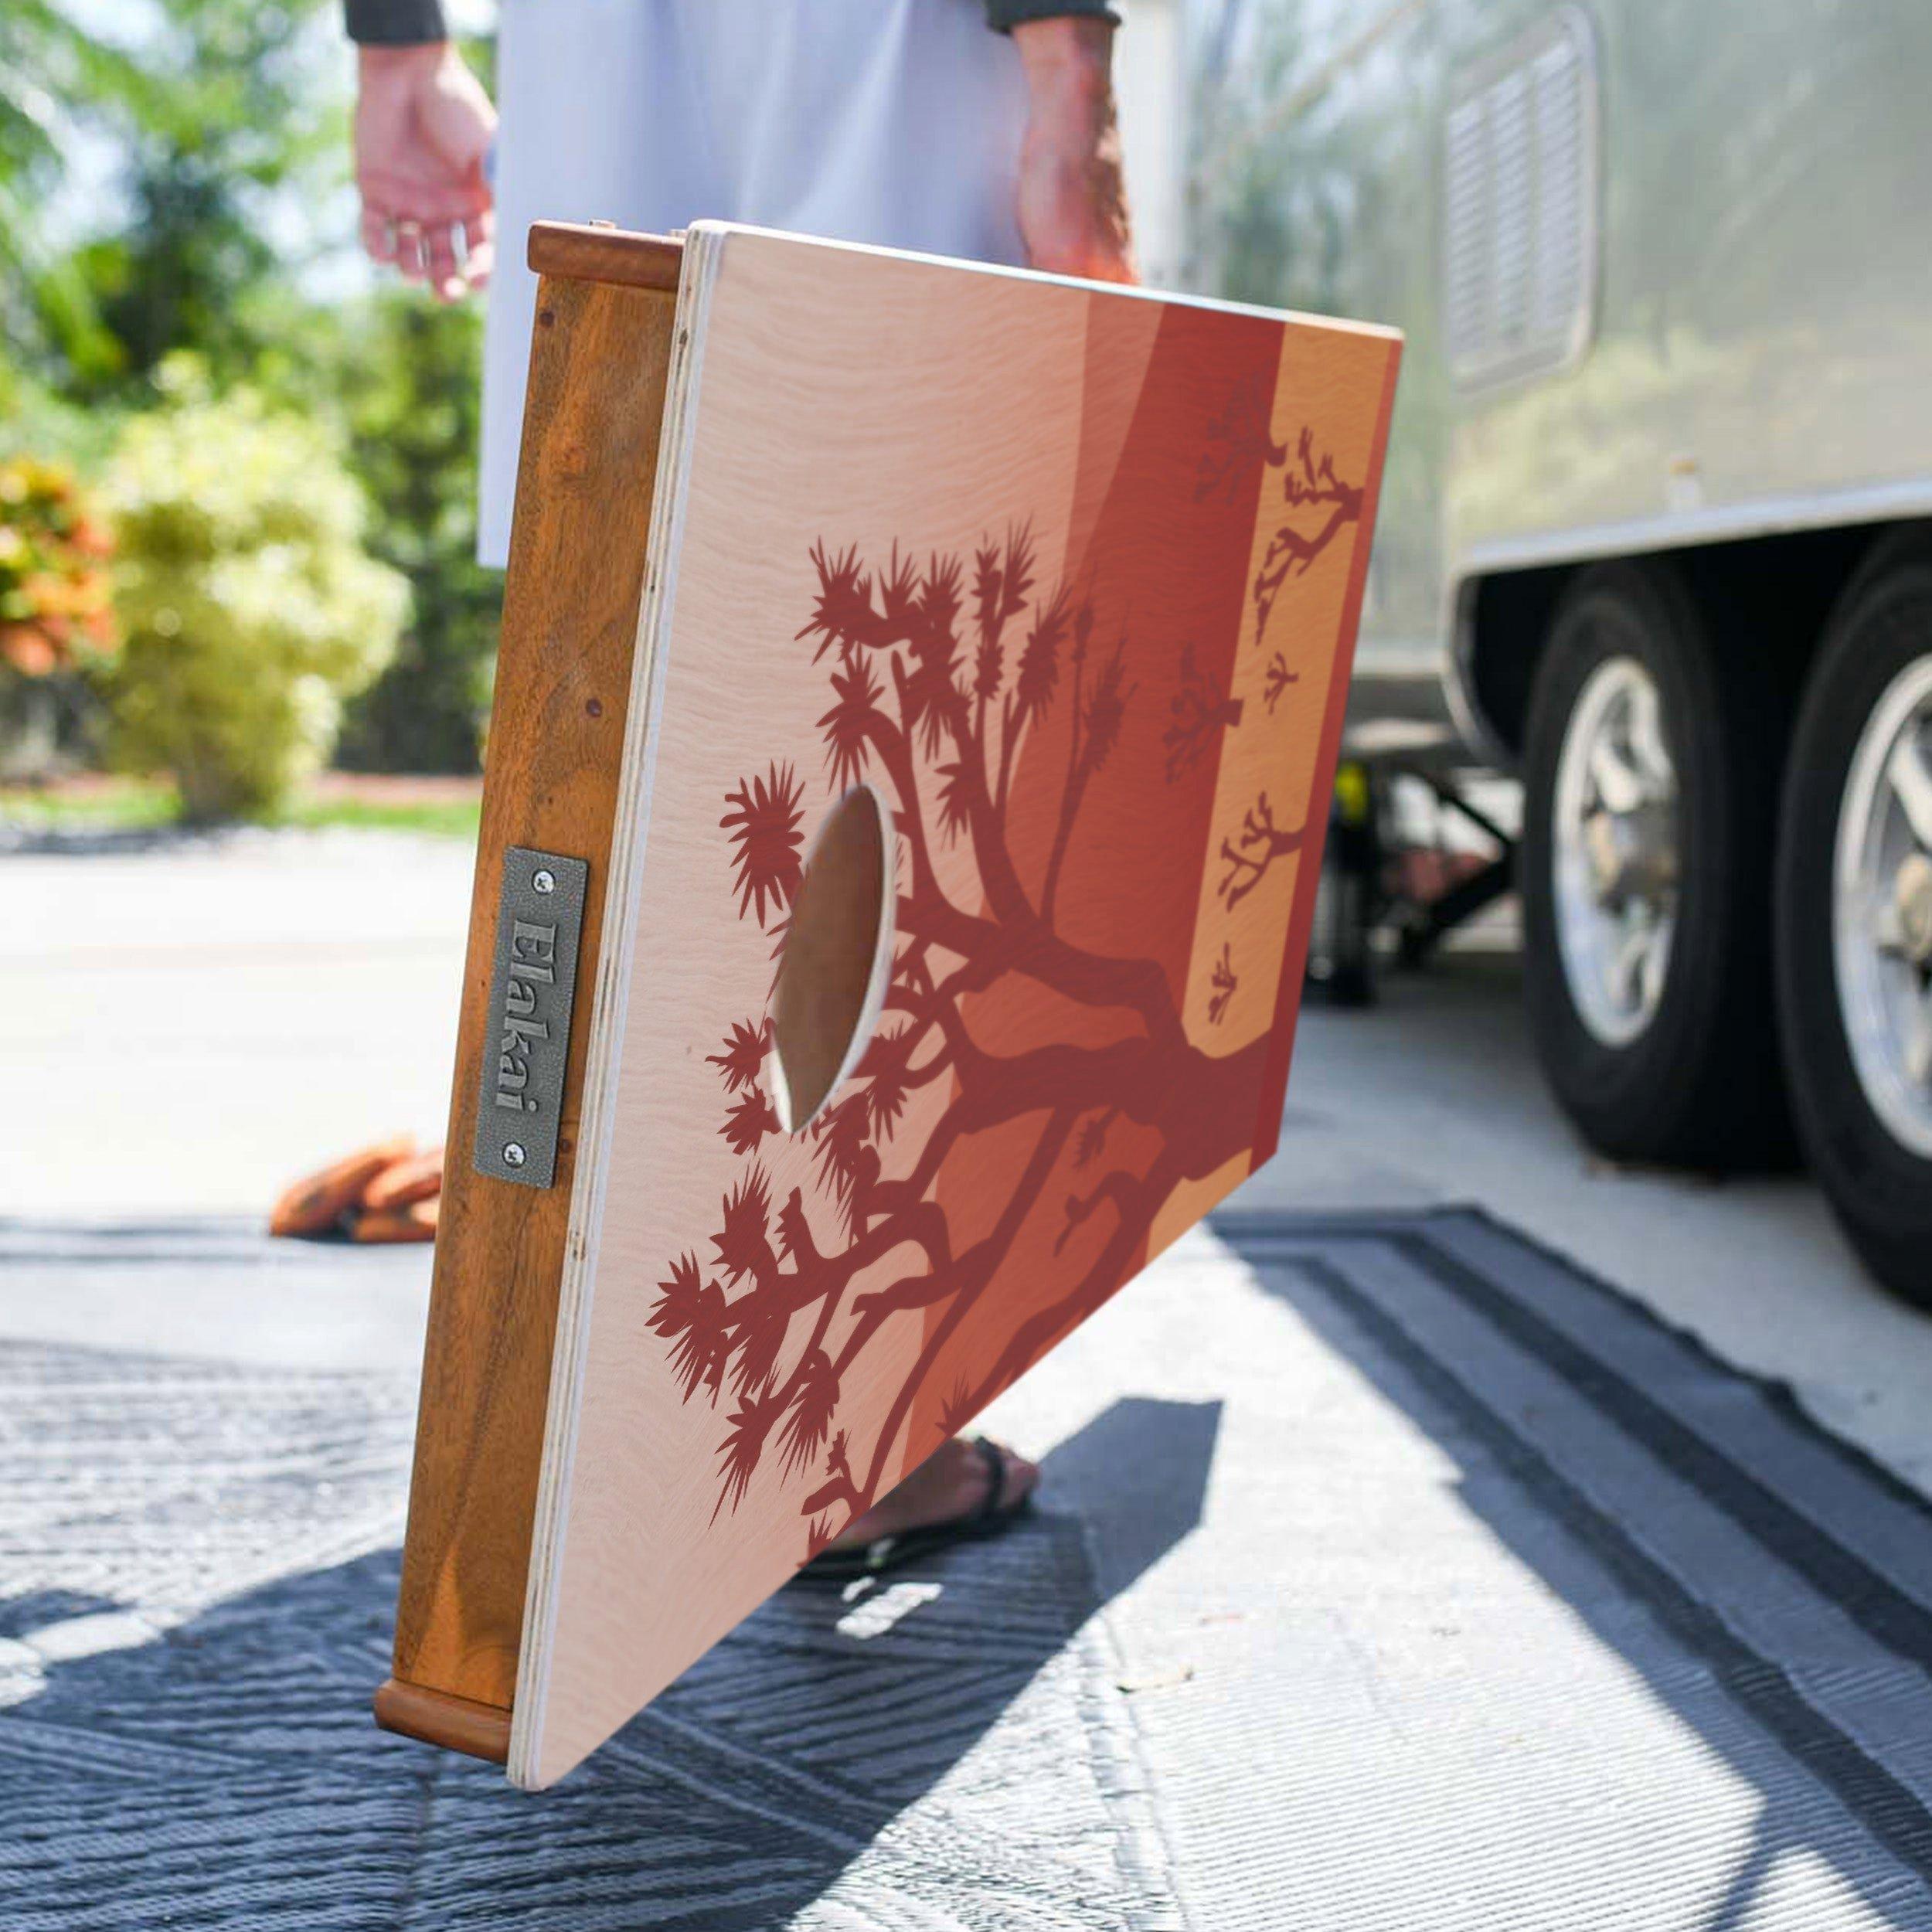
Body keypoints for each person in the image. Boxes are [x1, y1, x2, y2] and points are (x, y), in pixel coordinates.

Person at [343, 0, 1137, 1571]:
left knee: (632, 583)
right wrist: (1068, 69)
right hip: (870, 36)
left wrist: (395, 48)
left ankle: (619, 1387)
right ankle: (831, 1429)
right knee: (887, 619)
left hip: (598, 42)